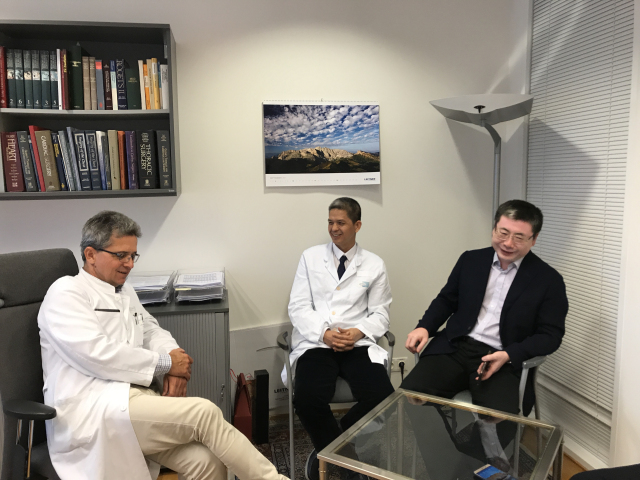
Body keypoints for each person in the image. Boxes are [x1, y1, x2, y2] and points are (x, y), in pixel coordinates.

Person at [38, 211, 288, 480]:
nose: (129, 264)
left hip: (133, 401)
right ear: (90, 254)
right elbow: (98, 355)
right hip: (93, 410)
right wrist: (167, 363)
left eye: (133, 255)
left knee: (205, 461)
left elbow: (151, 330)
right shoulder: (66, 292)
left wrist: (173, 360)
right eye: (120, 255)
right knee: (204, 414)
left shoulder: (124, 291)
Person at [401, 199, 569, 416]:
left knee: (499, 418)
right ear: (494, 229)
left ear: (534, 239)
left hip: (502, 358)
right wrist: (424, 327)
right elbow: (446, 300)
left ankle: (476, 439)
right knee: (410, 398)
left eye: (519, 237)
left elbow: (550, 335)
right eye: (503, 233)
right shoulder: (471, 260)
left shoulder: (549, 280)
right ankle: (441, 438)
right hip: (454, 348)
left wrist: (509, 354)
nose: (508, 243)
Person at [283, 197, 394, 480]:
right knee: (306, 399)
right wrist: (325, 333)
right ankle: (347, 459)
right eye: (330, 222)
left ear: (357, 225)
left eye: (341, 223)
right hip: (318, 342)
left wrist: (358, 332)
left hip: (356, 343)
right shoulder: (310, 257)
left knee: (383, 397)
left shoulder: (374, 264)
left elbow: (381, 313)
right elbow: (298, 306)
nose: (334, 228)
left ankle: (332, 446)